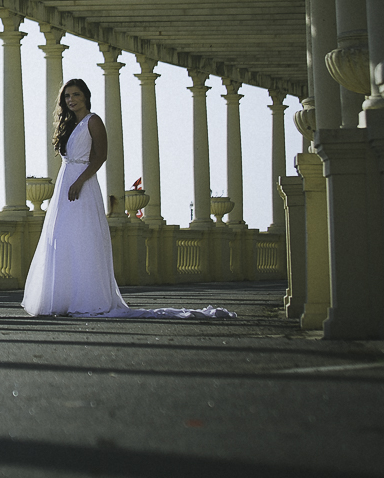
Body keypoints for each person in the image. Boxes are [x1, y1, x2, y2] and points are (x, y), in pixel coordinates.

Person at [22, 79, 234, 320]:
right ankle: (61, 297)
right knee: (63, 237)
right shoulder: (68, 125)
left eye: (76, 94)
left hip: (82, 182)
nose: (71, 99)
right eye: (67, 96)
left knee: (83, 237)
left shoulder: (93, 121)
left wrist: (80, 181)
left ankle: (87, 297)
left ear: (85, 96)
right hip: (64, 184)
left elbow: (101, 156)